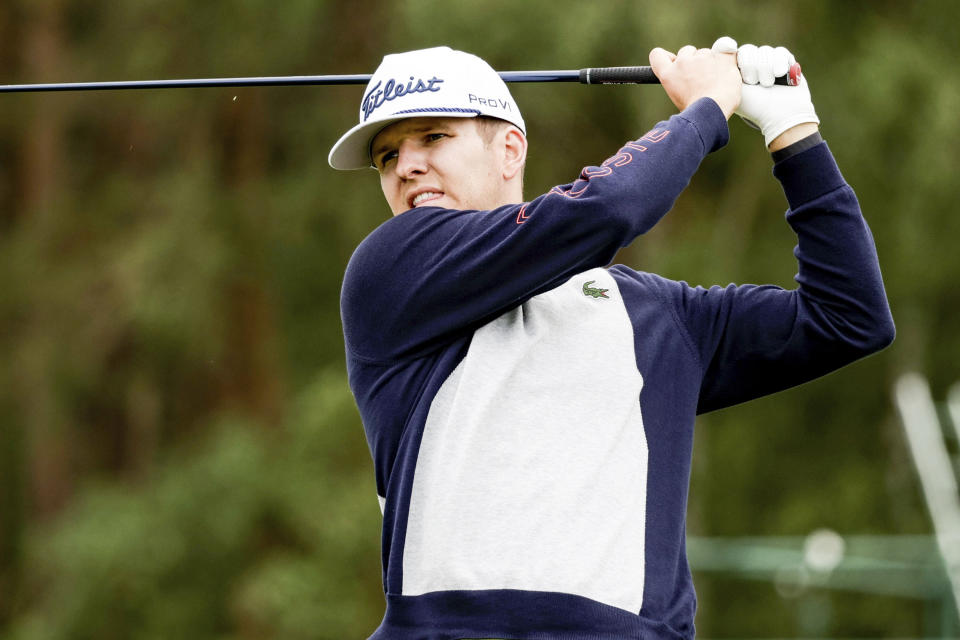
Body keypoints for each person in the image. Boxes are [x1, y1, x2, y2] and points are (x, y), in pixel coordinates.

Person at [328, 38, 894, 640]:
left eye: (433, 137)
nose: (406, 165)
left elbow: (848, 316)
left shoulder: (657, 314)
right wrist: (705, 108)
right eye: (387, 156)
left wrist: (791, 129)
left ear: (510, 149)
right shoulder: (390, 273)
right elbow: (607, 207)